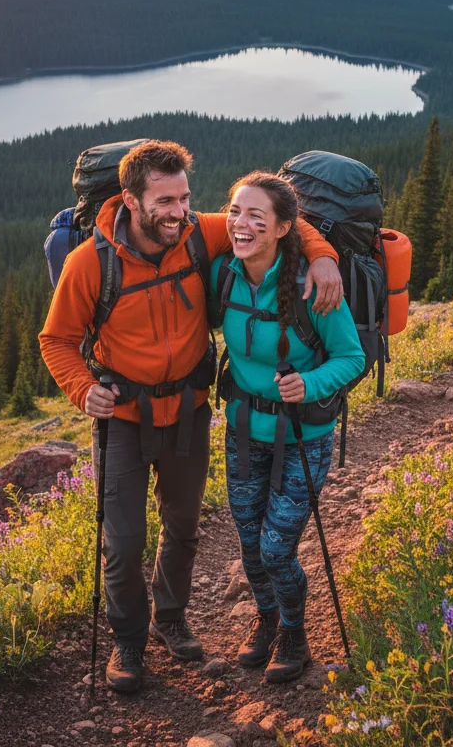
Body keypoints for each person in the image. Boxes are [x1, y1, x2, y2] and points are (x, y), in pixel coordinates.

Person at [39, 141, 343, 693]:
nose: (180, 212)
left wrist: (323, 257)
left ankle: (170, 619)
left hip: (191, 411)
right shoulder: (91, 263)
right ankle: (129, 646)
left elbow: (278, 223)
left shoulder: (198, 233)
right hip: (125, 417)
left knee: (182, 526)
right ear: (130, 200)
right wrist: (83, 390)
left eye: (184, 198)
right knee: (124, 541)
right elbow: (56, 338)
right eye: (165, 201)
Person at [212, 171, 364, 683]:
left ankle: (294, 634)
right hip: (241, 431)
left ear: (283, 229)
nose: (242, 224)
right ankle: (266, 618)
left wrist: (312, 383)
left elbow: (351, 356)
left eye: (258, 216)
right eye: (236, 212)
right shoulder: (225, 274)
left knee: (277, 547)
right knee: (250, 543)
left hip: (302, 437)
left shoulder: (313, 287)